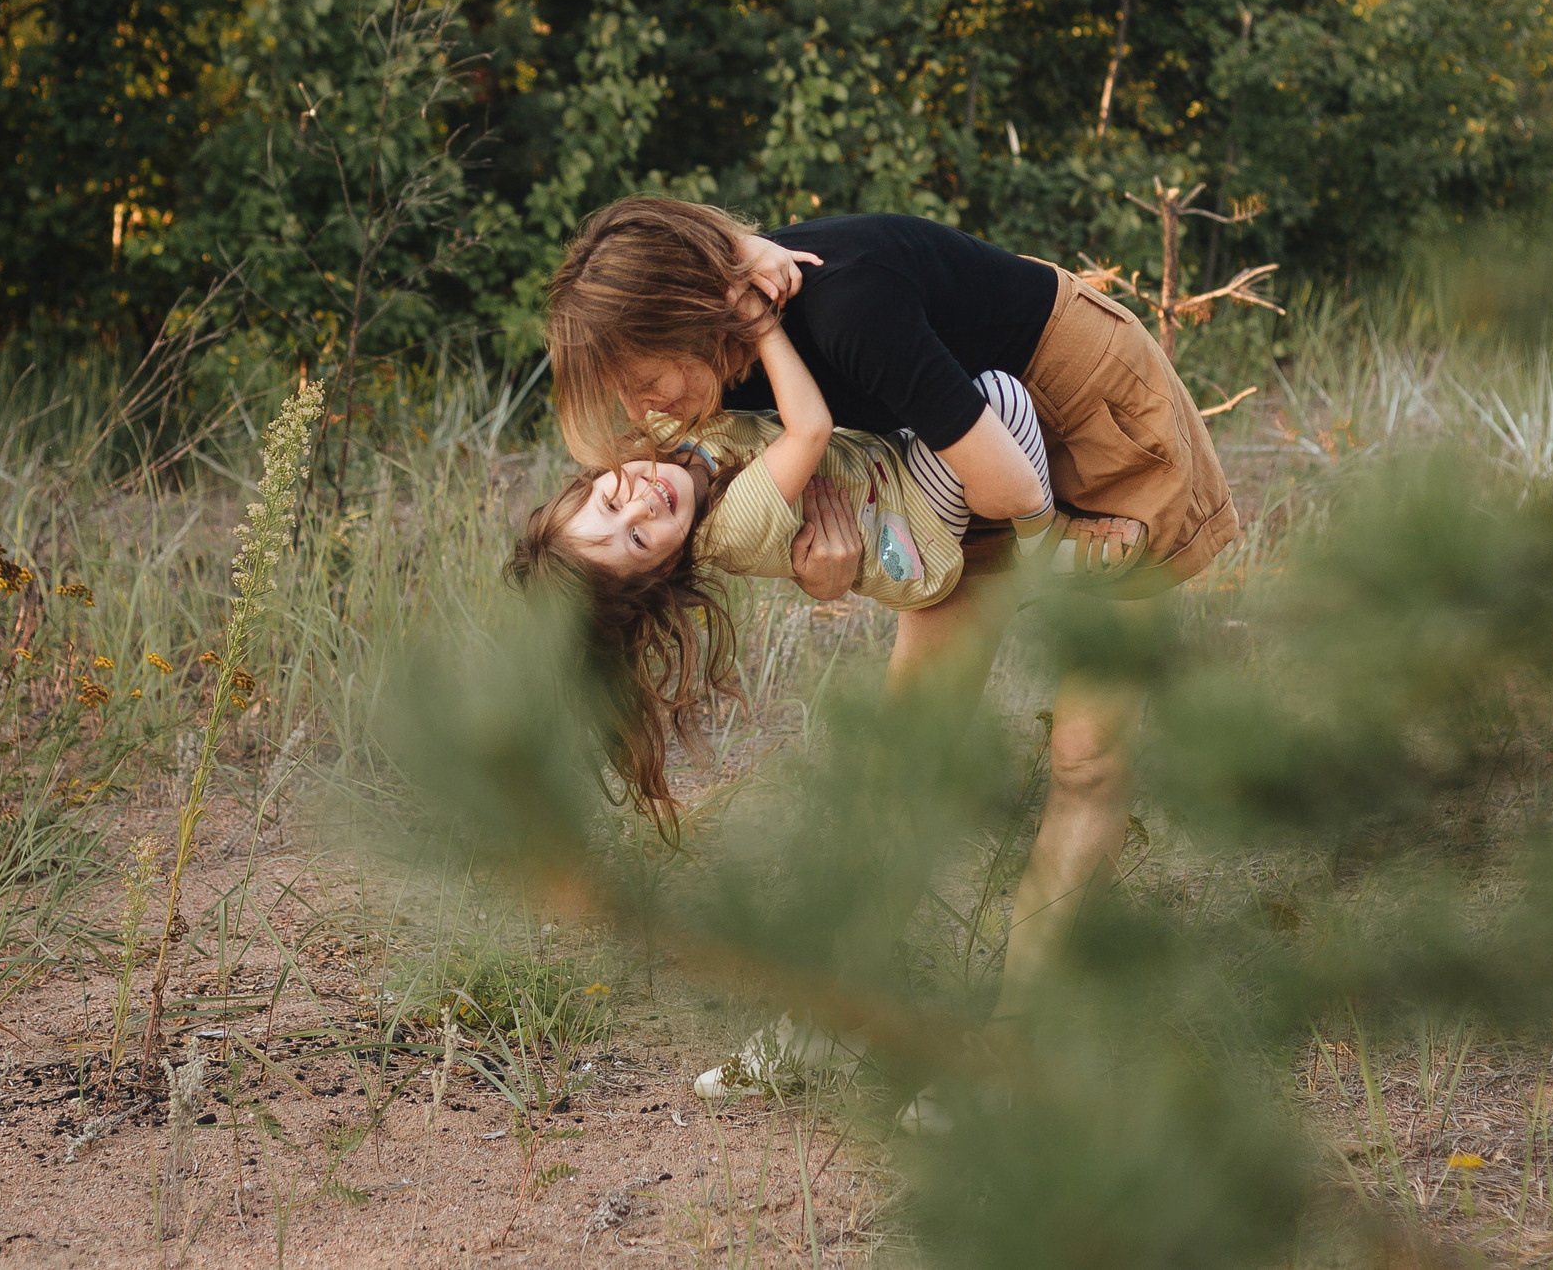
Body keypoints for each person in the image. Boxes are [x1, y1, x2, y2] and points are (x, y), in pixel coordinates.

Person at [543, 199, 1238, 1081]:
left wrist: (1040, 543)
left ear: (693, 313)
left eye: (648, 381)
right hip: (945, 447)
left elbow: (1004, 476)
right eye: (628, 396)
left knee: (1087, 754)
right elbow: (649, 241)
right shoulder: (716, 336)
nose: (646, 410)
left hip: (1072, 409)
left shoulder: (844, 309)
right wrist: (829, 568)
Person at [509, 318, 1058, 826]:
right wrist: (764, 323)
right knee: (995, 396)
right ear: (663, 567)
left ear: (592, 480)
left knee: (952, 376)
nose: (640, 507)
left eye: (610, 505)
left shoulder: (664, 438)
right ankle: (1048, 539)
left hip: (891, 460)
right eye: (636, 539)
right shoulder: (730, 528)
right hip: (910, 524)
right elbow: (810, 429)